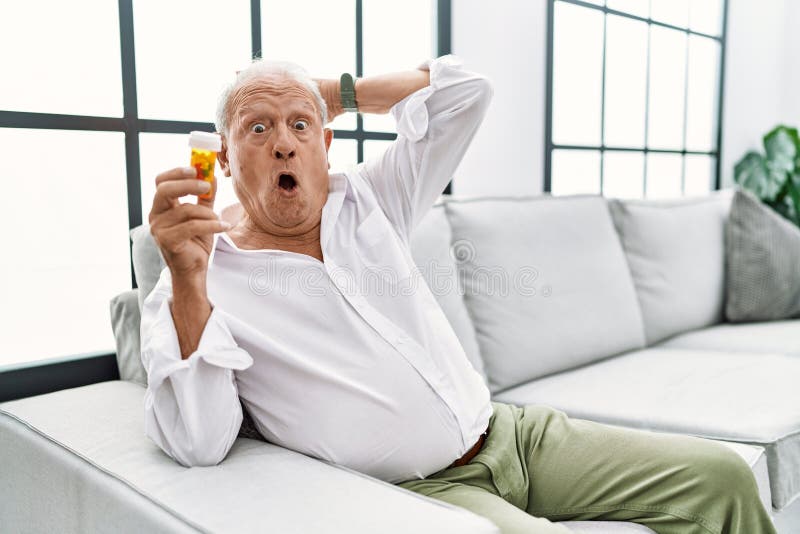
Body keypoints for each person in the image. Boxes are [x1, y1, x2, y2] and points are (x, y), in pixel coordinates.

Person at [141, 55, 776, 534]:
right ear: (222, 158)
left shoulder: (371, 198)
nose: (283, 141)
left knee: (720, 478)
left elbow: (468, 93)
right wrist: (190, 279)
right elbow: (199, 440)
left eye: (300, 125)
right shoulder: (198, 277)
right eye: (257, 129)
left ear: (325, 145)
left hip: (514, 434)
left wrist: (337, 95)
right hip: (424, 491)